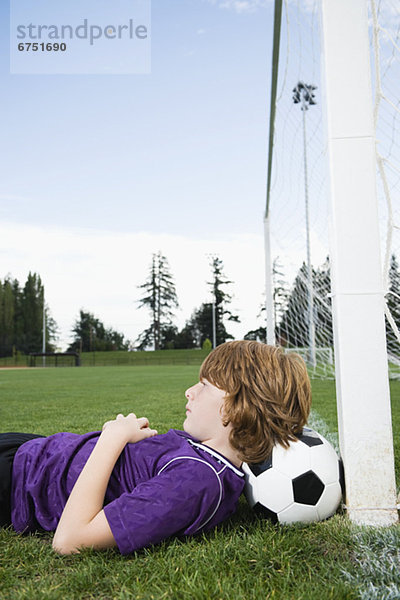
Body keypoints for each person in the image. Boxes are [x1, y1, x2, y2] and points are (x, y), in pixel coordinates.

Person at [0, 340, 311, 555]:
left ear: (234, 408)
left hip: (17, 480)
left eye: (203, 385)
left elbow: (71, 540)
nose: (189, 392)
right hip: (33, 451)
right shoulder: (203, 455)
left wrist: (113, 437)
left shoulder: (197, 481)